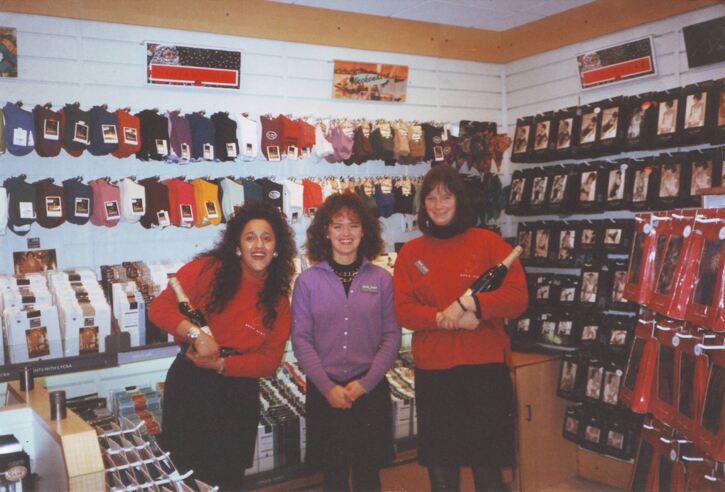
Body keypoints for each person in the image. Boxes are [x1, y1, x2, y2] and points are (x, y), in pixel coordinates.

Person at [393, 164, 528, 492]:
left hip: (484, 372)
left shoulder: (488, 243)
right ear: (422, 204)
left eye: (446, 197)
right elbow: (404, 310)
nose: (438, 205)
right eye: (431, 198)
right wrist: (442, 318)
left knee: (488, 470)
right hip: (435, 374)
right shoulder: (411, 254)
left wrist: (474, 306)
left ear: (459, 201)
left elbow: (517, 297)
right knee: (441, 471)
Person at [148, 201, 296, 489]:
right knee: (184, 474)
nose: (258, 245)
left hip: (238, 391)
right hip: (191, 384)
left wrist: (223, 364)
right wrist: (195, 334)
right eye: (249, 236)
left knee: (228, 477)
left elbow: (269, 360)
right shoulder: (208, 269)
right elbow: (160, 308)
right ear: (237, 245)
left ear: (276, 248)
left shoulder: (277, 300)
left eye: (267, 238)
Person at [291, 192, 400, 492]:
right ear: (325, 231)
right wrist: (327, 387)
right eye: (337, 225)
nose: (345, 233)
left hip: (370, 392)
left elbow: (391, 336)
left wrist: (366, 383)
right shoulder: (308, 282)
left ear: (364, 230)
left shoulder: (381, 279)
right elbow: (301, 339)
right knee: (334, 479)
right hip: (325, 394)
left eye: (353, 225)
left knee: (368, 478)